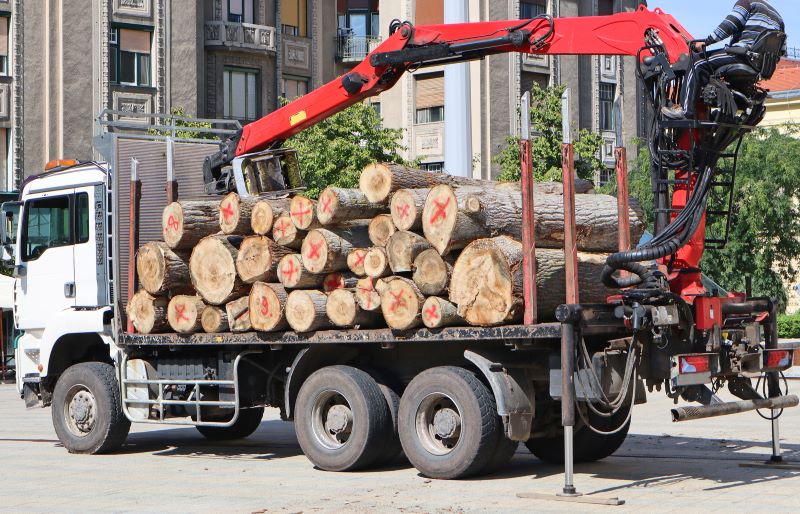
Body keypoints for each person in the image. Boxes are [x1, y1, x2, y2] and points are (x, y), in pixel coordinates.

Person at [662, 0, 784, 119]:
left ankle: (685, 110)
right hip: (762, 66)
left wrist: (707, 41)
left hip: (742, 55)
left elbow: (729, 25)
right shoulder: (778, 17)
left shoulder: (747, 2)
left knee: (697, 62)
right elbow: (782, 50)